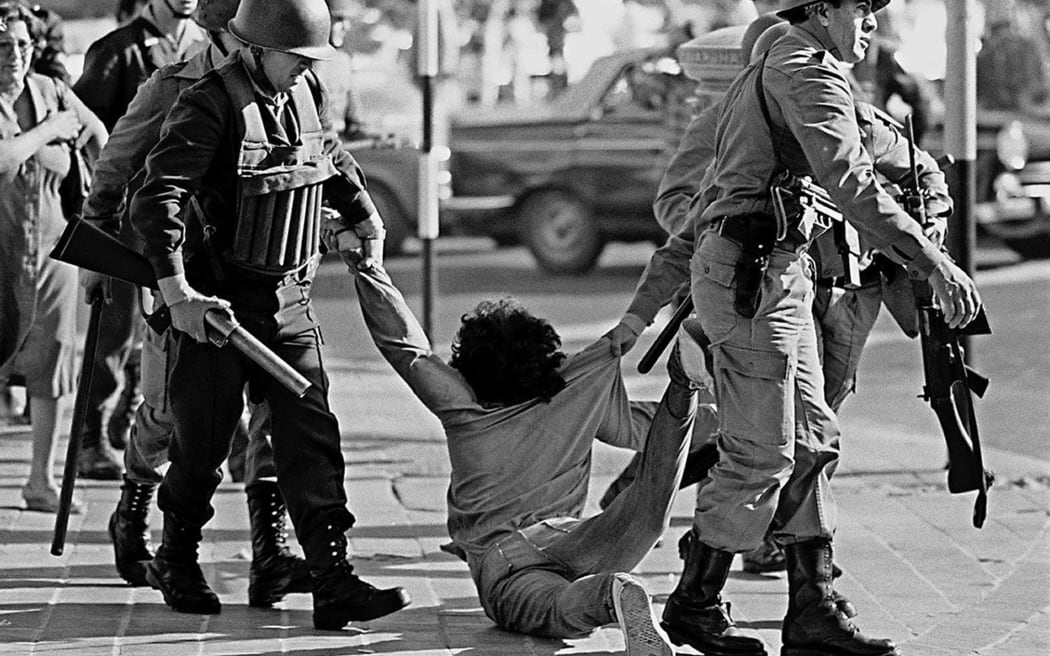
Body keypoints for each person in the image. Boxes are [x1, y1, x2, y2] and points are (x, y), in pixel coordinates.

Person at [607, 2, 982, 655]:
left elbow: (903, 172)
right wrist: (934, 262)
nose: (870, 23)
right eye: (861, 8)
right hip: (757, 281)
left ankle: (813, 606)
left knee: (813, 438)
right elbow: (848, 185)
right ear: (822, 10)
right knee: (760, 454)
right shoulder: (804, 74)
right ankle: (693, 604)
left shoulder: (814, 81)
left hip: (792, 277)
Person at [127, 0, 409, 628]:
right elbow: (158, 196)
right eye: (297, 56)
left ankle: (333, 579)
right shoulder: (208, 101)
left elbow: (328, 156)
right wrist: (177, 293)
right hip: (219, 309)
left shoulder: (304, 90)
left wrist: (365, 214)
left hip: (287, 300)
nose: (307, 67)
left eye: (313, 58)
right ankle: (175, 559)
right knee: (199, 448)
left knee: (313, 437)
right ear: (255, 49)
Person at [328, 228, 705, 653]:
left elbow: (406, 347)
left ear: (467, 368)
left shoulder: (465, 410)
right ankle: (683, 385)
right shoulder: (574, 392)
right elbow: (643, 432)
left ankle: (613, 594)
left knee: (551, 607)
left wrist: (368, 268)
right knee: (646, 510)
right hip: (575, 536)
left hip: (505, 560)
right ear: (544, 355)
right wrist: (702, 403)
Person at [80, 0, 312, 609]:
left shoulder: (284, 79)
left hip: (261, 280)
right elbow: (117, 165)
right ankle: (134, 506)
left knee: (269, 414)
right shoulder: (175, 83)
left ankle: (271, 552)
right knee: (166, 412)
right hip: (179, 276)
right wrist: (97, 256)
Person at [71, 0, 205, 480]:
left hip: (184, 216)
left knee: (177, 333)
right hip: (127, 217)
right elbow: (88, 136)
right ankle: (91, 437)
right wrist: (97, 221)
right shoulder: (117, 51)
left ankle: (141, 433)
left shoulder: (209, 44)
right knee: (112, 333)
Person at [0, 1, 107, 513]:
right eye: (2, 47)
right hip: (1, 255)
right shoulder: (45, 110)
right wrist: (48, 131)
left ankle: (39, 480)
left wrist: (99, 203)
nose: (14, 55)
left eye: (22, 45)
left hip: (54, 253)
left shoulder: (52, 90)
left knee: (52, 366)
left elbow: (101, 138)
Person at [312, 0, 365, 138]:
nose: (346, 27)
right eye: (339, 20)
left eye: (347, 20)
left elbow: (354, 119)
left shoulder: (343, 60)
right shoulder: (299, 63)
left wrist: (357, 129)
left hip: (336, 146)